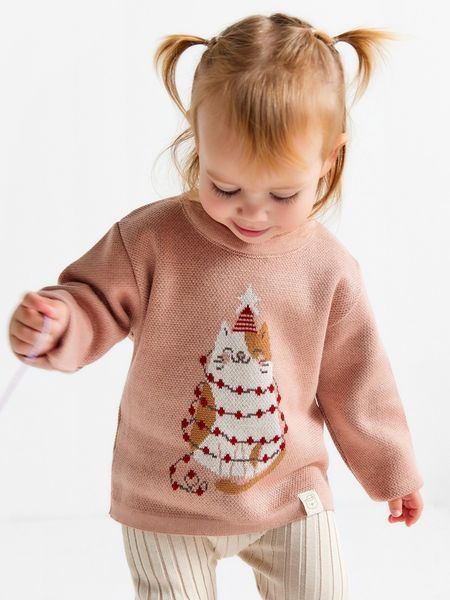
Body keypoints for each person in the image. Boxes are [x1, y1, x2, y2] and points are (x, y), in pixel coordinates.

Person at [8, 12, 424, 600]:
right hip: (164, 500)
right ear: (198, 143)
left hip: (290, 499)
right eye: (225, 187)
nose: (251, 212)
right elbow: (92, 302)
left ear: (329, 159)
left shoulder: (328, 269)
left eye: (282, 193)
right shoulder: (151, 240)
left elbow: (358, 381)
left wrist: (392, 471)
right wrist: (59, 324)